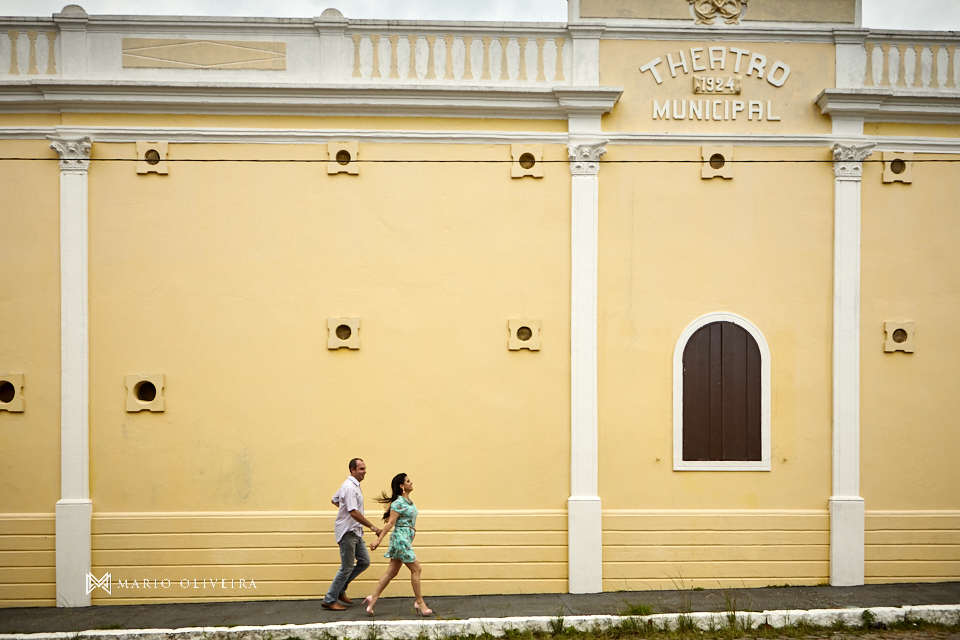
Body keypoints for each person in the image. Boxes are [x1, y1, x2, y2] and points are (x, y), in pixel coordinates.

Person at [363, 473, 432, 616]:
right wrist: (378, 540)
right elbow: (390, 524)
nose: (411, 482)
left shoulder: (408, 502)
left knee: (391, 572)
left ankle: (373, 598)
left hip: (405, 538)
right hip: (401, 540)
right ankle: (419, 602)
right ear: (402, 486)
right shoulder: (398, 503)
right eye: (408, 481)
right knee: (416, 569)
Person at [322, 458, 382, 611]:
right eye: (361, 469)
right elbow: (353, 511)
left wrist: (344, 510)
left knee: (364, 561)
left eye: (364, 468)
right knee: (346, 567)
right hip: (348, 531)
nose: (364, 471)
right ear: (352, 470)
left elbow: (335, 500)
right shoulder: (349, 487)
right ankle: (330, 599)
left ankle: (340, 590)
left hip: (355, 531)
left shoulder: (352, 485)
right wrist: (372, 527)